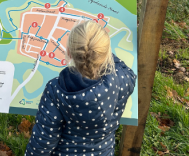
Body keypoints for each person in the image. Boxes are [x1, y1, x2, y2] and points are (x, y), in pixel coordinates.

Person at [25, 21, 137, 156]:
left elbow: (43, 141)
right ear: (106, 52)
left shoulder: (56, 90)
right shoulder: (123, 78)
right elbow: (125, 69)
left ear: (69, 53)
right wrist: (99, 51)